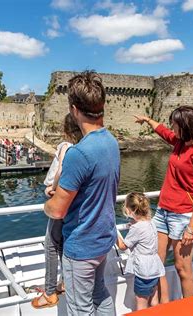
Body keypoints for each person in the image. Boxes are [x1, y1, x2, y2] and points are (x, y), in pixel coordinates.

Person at [44, 71, 119, 315]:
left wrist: (47, 202)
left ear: (75, 109)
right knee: (101, 295)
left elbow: (57, 209)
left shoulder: (79, 153)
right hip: (102, 239)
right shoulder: (111, 142)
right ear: (102, 106)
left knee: (80, 308)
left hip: (82, 246)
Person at [134, 106, 193, 302]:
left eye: (175, 124)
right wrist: (147, 119)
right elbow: (163, 132)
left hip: (183, 216)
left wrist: (191, 228)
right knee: (156, 263)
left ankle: (189, 309)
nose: (172, 126)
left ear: (185, 126)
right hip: (163, 212)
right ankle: (163, 305)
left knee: (182, 268)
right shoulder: (179, 142)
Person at [31, 113, 83, 309]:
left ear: (66, 130)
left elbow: (60, 171)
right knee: (62, 243)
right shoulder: (81, 147)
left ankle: (50, 292)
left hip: (60, 198)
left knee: (51, 244)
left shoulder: (65, 146)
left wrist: (51, 188)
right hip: (73, 201)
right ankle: (66, 284)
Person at [116, 193, 165, 311]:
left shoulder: (137, 228)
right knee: (154, 301)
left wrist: (113, 232)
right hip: (154, 268)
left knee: (141, 304)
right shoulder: (150, 222)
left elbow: (123, 246)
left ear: (128, 210)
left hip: (144, 272)